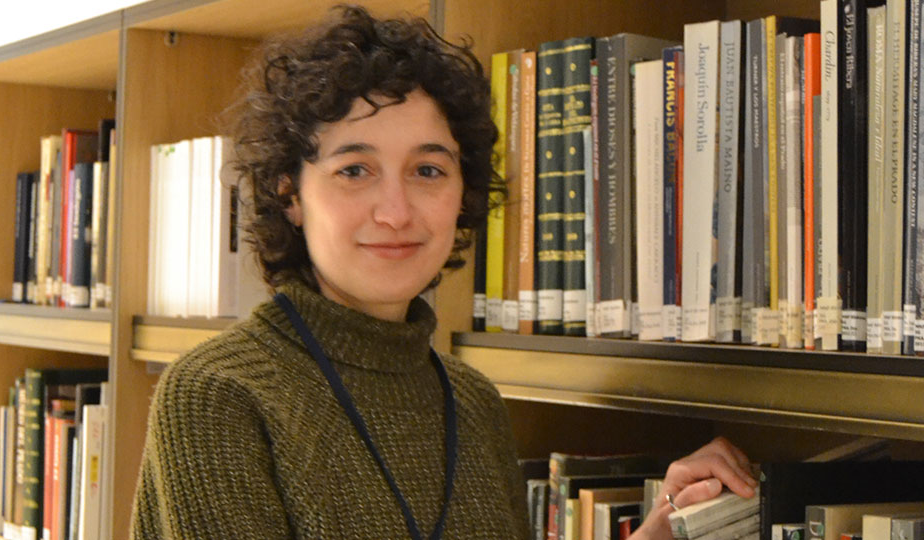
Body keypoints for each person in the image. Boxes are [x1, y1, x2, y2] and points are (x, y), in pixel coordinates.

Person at [129, 5, 757, 539]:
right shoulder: (218, 397)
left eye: (428, 170)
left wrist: (660, 528)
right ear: (290, 194)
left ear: (463, 190)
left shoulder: (471, 400)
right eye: (355, 170)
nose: (396, 211)